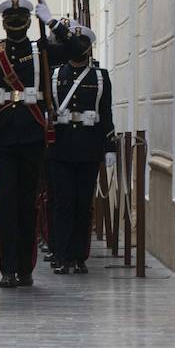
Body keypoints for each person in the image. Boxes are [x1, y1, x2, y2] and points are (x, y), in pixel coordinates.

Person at [0, 0, 78, 288]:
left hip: (33, 136)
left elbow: (78, 48)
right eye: (12, 20)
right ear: (5, 23)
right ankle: (8, 268)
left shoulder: (42, 50)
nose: (16, 24)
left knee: (27, 203)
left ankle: (25, 267)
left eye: (22, 19)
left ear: (27, 22)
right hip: (1, 137)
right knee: (6, 203)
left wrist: (53, 23)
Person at [45, 25, 114, 274]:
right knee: (62, 203)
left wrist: (109, 146)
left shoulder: (100, 76)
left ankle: (79, 256)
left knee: (83, 204)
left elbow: (106, 113)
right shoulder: (53, 74)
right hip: (60, 147)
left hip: (88, 146)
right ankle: (62, 254)